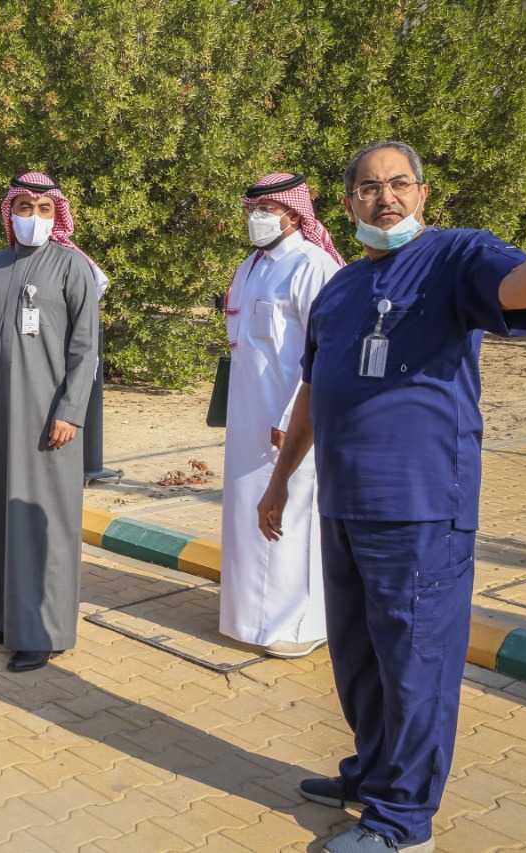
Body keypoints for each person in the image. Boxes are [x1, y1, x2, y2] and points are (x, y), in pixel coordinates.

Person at [258, 140, 526, 853]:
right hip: (343, 502)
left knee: (417, 665)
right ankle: (373, 772)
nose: (383, 196)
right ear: (348, 201)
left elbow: (521, 291)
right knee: (358, 658)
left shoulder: (457, 256)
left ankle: (401, 821)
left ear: (422, 193)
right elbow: (311, 392)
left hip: (421, 507)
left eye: (398, 184)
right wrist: (278, 481)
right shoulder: (340, 288)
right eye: (367, 186)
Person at [0, 171, 100, 672]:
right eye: (22, 208)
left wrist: (70, 412)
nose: (31, 219)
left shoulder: (71, 266)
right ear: (8, 212)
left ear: (56, 215)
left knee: (45, 522)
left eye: (42, 210)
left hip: (48, 420)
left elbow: (86, 351)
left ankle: (42, 631)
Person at [220, 173, 343, 659]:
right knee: (248, 514)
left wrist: (294, 413)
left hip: (290, 418)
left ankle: (295, 625)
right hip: (247, 414)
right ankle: (247, 620)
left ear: (295, 213)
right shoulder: (249, 266)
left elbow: (324, 349)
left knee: (288, 514)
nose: (258, 218)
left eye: (268, 208)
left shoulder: (314, 266)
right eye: (253, 208)